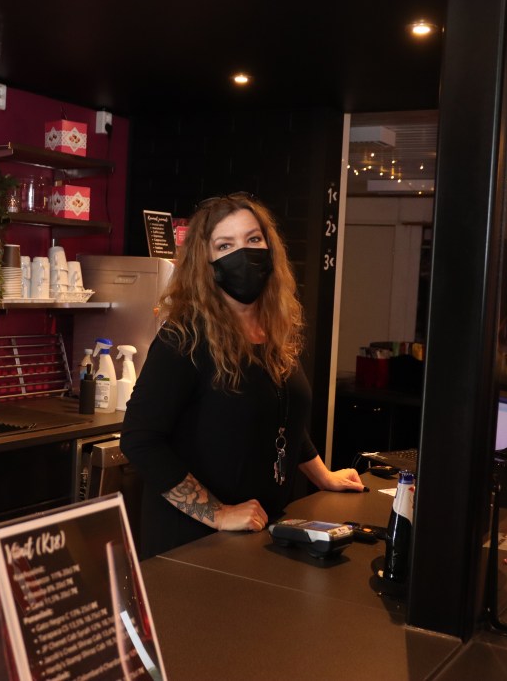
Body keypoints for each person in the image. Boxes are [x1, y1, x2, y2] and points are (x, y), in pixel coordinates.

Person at [120, 192, 364, 558]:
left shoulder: (273, 329)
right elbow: (139, 440)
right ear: (205, 262)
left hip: (260, 532)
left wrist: (323, 476)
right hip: (193, 545)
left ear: (270, 248)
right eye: (225, 245)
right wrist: (218, 513)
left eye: (253, 239)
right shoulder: (184, 338)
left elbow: (282, 414)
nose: (244, 254)